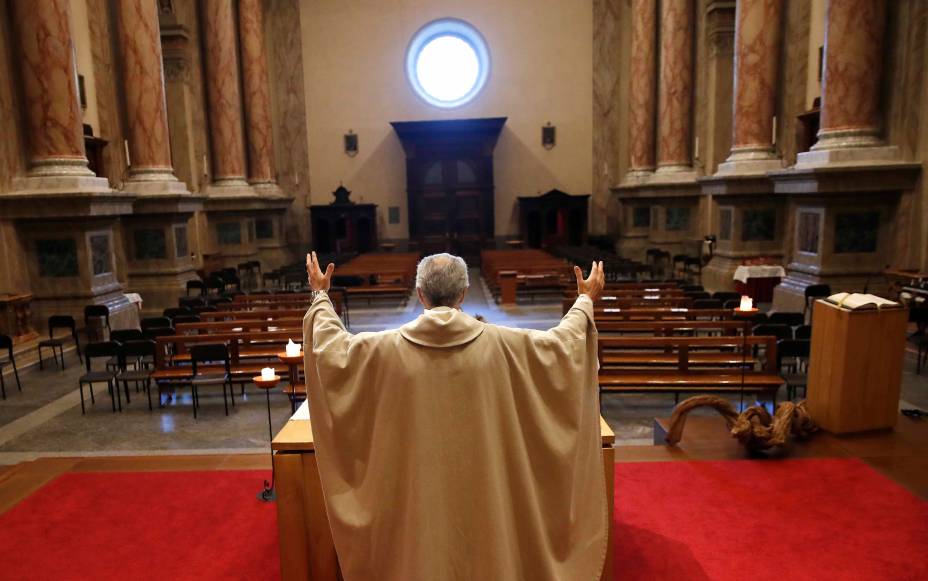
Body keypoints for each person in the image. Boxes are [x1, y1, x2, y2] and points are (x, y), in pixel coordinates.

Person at [303, 251, 607, 581]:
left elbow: (333, 351)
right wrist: (584, 300)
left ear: (420, 294)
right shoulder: (506, 345)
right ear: (464, 293)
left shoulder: (384, 350)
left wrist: (320, 295)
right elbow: (563, 347)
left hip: (418, 508)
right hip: (487, 500)